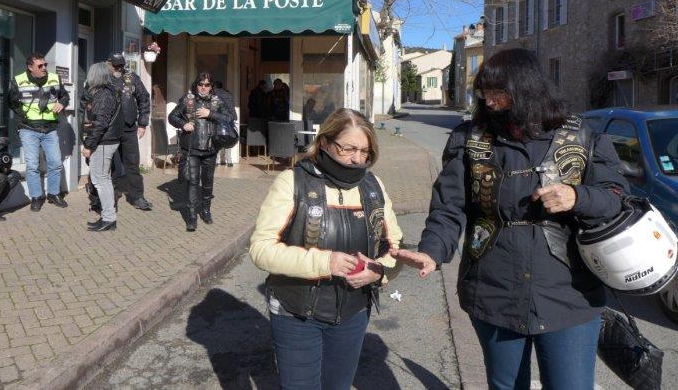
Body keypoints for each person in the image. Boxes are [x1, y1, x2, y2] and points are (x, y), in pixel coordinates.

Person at [391, 48, 629, 390]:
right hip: (494, 290)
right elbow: (449, 207)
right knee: (504, 386)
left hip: (571, 292)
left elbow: (616, 197)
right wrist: (432, 250)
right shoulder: (469, 139)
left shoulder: (581, 135)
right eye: (484, 93)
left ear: (527, 89)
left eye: (497, 92)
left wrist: (577, 197)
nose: (488, 101)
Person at [250, 108, 403, 390]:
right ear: (324, 142)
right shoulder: (292, 182)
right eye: (349, 149)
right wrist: (324, 263)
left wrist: (379, 271)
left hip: (354, 314)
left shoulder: (373, 187)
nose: (357, 159)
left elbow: (395, 247)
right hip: (296, 313)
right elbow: (261, 249)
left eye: (364, 151)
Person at [168, 72, 235, 231]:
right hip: (192, 148)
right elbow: (172, 116)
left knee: (207, 182)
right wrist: (183, 124)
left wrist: (210, 114)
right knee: (192, 181)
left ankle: (205, 210)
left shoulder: (217, 100)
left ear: (211, 86)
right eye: (201, 84)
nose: (203, 88)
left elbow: (230, 118)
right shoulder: (188, 99)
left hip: (210, 148)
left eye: (207, 85)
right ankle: (191, 216)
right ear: (196, 85)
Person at [7, 52, 69, 211]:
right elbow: (12, 102)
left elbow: (65, 96)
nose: (44, 68)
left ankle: (54, 194)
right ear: (30, 67)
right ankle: (36, 196)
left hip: (50, 129)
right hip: (28, 129)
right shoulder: (18, 80)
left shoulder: (54, 78)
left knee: (55, 163)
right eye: (40, 66)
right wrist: (24, 116)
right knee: (32, 165)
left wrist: (62, 103)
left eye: (45, 65)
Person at [107, 53, 153, 210]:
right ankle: (111, 197)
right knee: (110, 165)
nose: (118, 69)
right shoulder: (102, 78)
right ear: (109, 64)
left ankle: (137, 196)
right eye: (115, 65)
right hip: (108, 129)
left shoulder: (132, 78)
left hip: (128, 128)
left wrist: (142, 123)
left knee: (132, 164)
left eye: (121, 65)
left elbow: (144, 99)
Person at [81, 63, 123, 232]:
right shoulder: (105, 92)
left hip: (104, 142)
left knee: (100, 180)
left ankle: (109, 218)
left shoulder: (104, 95)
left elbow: (99, 124)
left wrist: (89, 146)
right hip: (106, 141)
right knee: (103, 179)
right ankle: (107, 217)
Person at [213, 80, 235, 167]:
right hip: (230, 119)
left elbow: (214, 109)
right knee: (228, 139)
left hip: (220, 119)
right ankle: (229, 161)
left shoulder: (215, 95)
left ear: (215, 87)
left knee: (218, 139)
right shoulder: (229, 94)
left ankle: (216, 161)